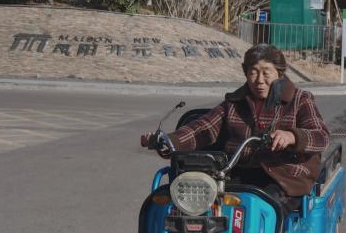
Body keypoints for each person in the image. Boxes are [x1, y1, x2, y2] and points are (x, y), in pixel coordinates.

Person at [142, 43, 331, 205]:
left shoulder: (300, 99)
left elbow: (321, 136)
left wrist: (292, 136)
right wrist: (168, 141)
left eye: (266, 73)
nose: (259, 80)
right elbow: (203, 128)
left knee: (267, 206)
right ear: (246, 73)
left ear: (280, 73)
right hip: (239, 171)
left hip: (284, 176)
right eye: (253, 73)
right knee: (202, 200)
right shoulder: (234, 103)